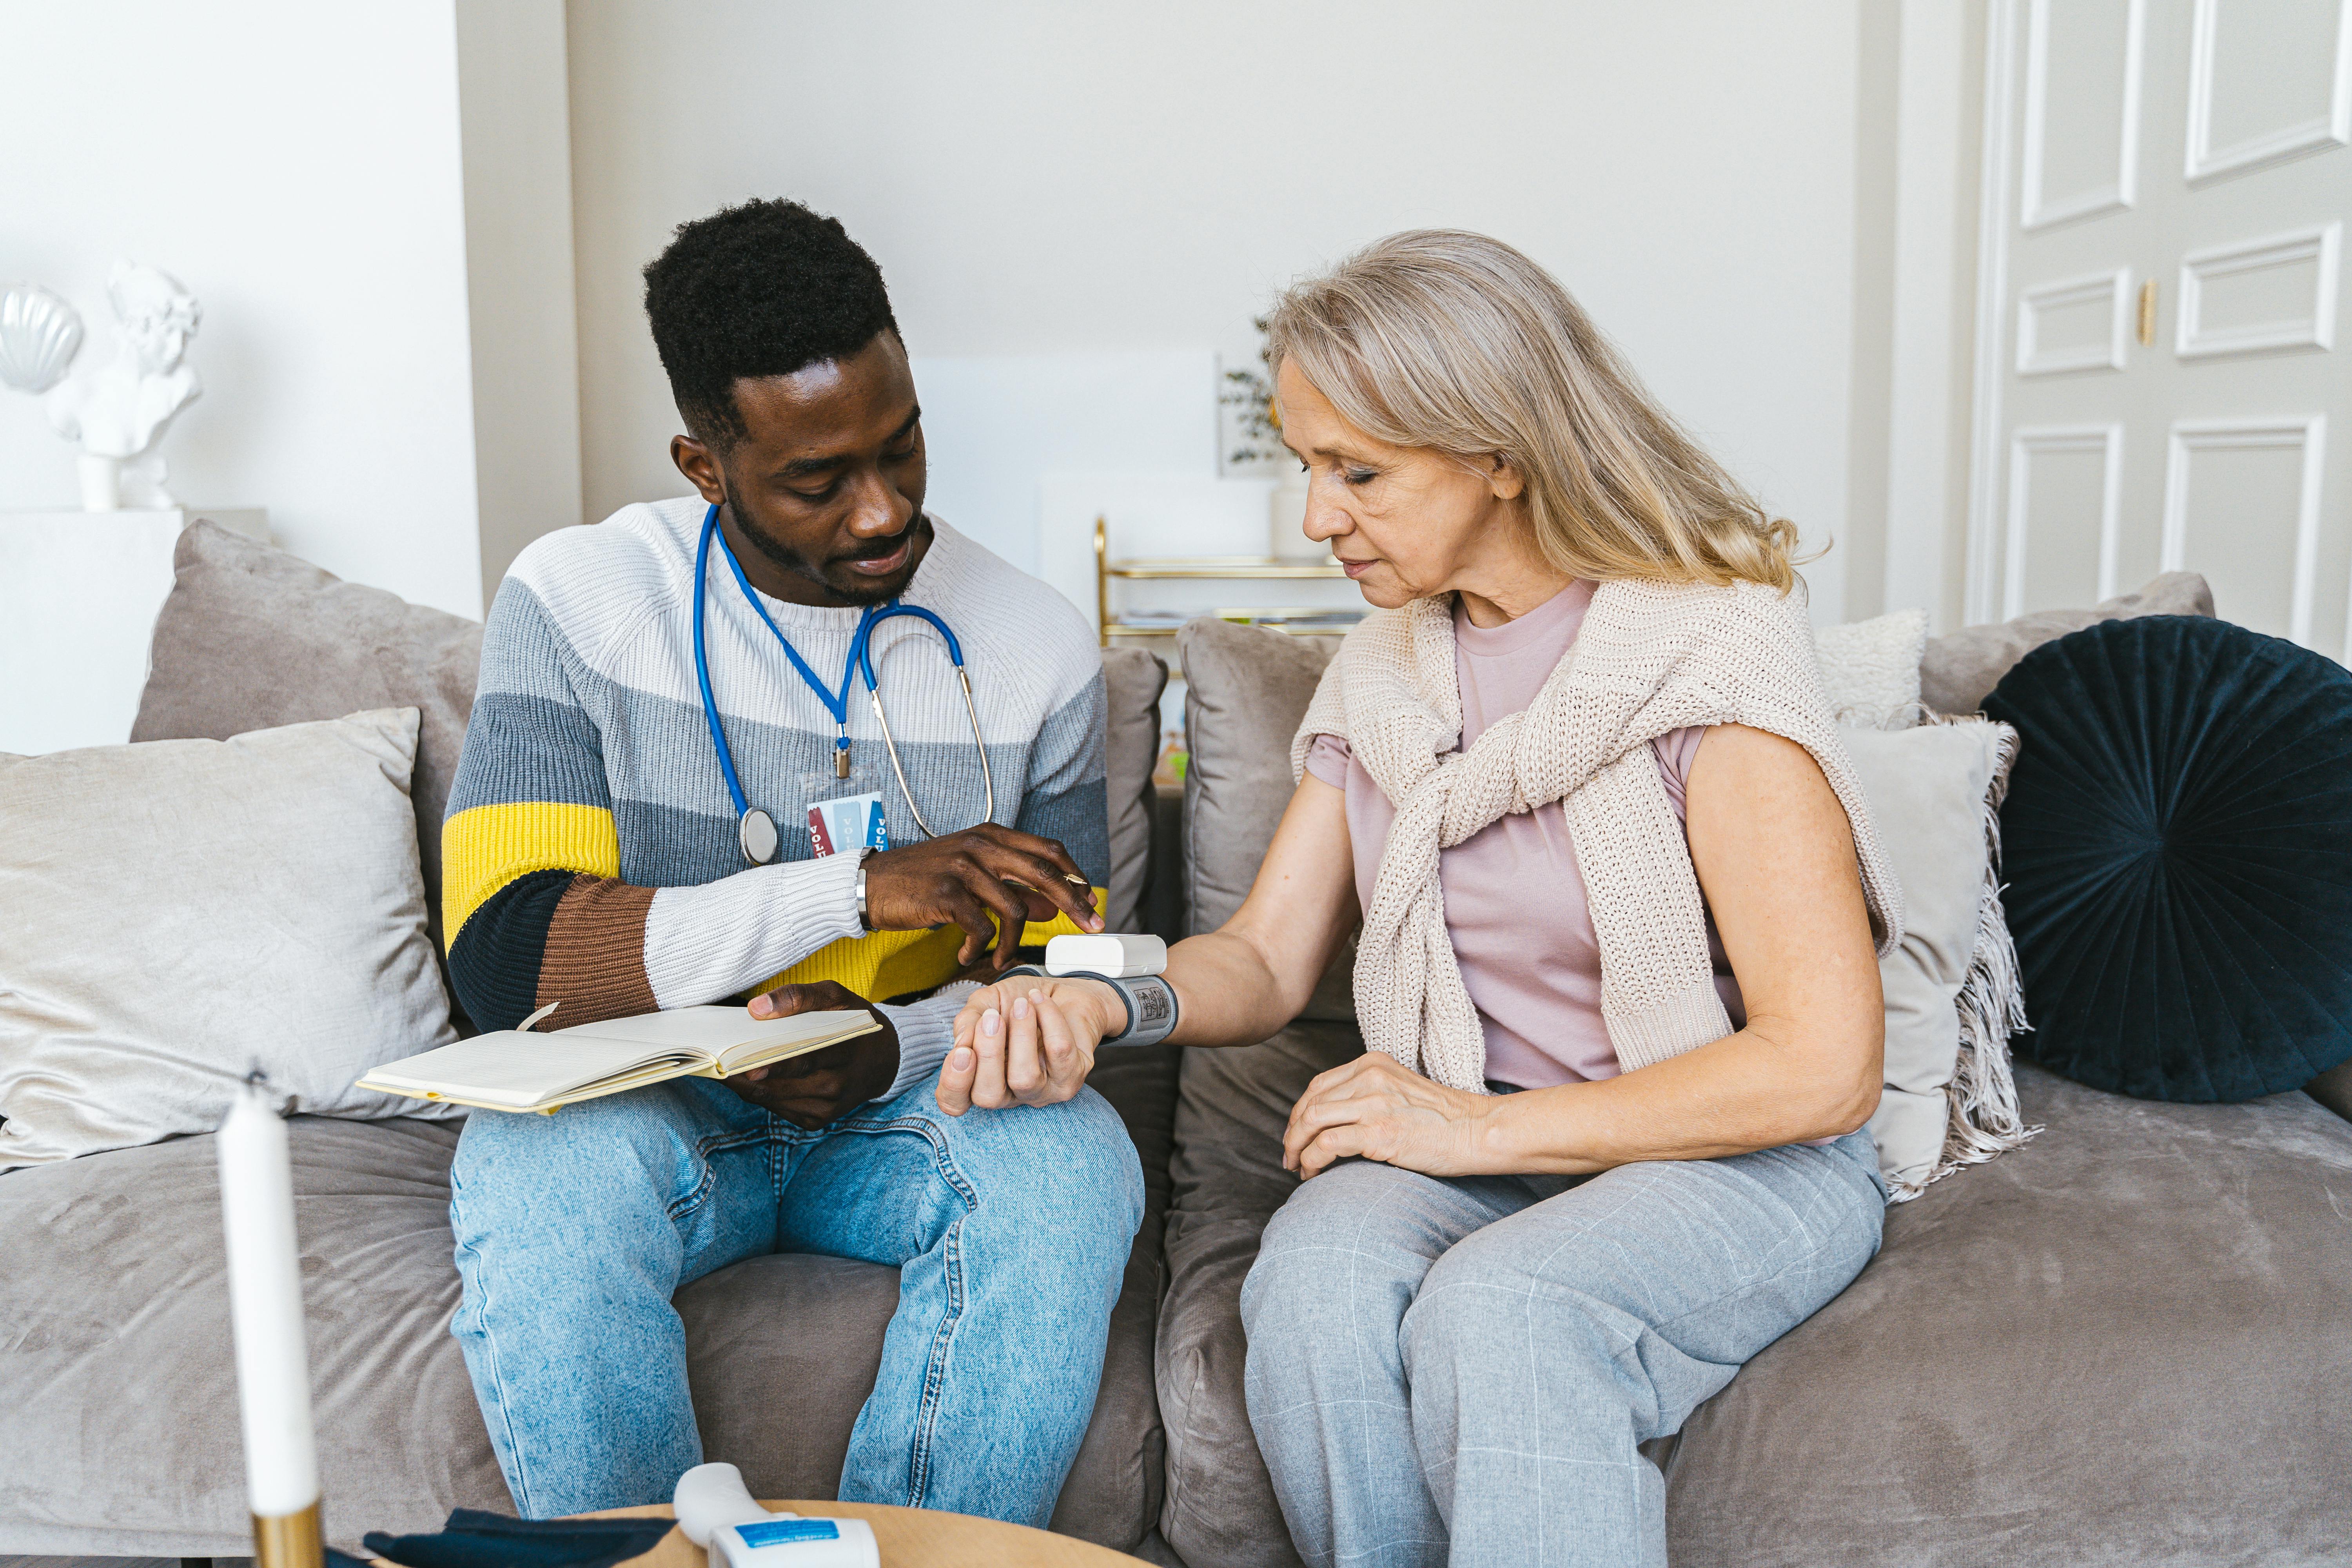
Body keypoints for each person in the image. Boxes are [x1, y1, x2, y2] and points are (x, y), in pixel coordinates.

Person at [946, 230, 1905, 1568]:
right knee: (1317, 1285)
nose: (1317, 517)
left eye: (1359, 473)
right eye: (1306, 467)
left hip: (1729, 1157)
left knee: (1506, 1309)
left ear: (1500, 454)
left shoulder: (1707, 658)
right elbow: (1267, 964)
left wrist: (1469, 1131)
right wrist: (1100, 997)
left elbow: (1824, 1066)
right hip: (1486, 1142)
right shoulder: (1383, 670)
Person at [439, 198, 1143, 1525]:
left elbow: (1069, 986)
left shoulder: (1036, 646)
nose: (883, 510)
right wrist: (855, 890)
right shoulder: (580, 601)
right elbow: (507, 960)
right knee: (538, 1175)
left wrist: (889, 1044)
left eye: (903, 445)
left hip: (898, 1114)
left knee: (1073, 1157)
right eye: (819, 481)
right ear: (705, 464)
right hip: (653, 1114)